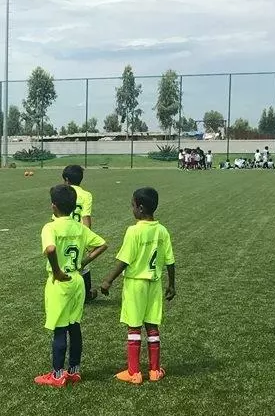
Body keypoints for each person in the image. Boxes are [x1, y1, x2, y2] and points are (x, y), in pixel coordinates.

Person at [100, 187, 176, 385]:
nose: (131, 208)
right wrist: (172, 284)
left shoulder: (133, 231)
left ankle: (134, 372)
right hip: (155, 284)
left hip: (135, 284)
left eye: (132, 205)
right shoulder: (162, 230)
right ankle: (154, 370)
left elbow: (125, 260)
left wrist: (108, 280)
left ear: (140, 208)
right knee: (152, 326)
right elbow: (170, 261)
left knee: (134, 327)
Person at [35, 184, 107, 387]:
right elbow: (103, 244)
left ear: (53, 206)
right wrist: (85, 262)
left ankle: (57, 375)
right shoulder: (80, 227)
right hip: (77, 281)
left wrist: (57, 270)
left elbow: (50, 249)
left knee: (59, 329)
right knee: (74, 327)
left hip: (60, 282)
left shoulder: (50, 227)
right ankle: (74, 371)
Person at [62, 164, 97, 301]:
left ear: (66, 179)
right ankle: (86, 293)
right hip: (79, 232)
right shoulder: (86, 195)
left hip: (63, 231)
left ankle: (65, 290)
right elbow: (86, 217)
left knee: (64, 260)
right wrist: (88, 238)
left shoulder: (62, 192)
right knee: (83, 263)